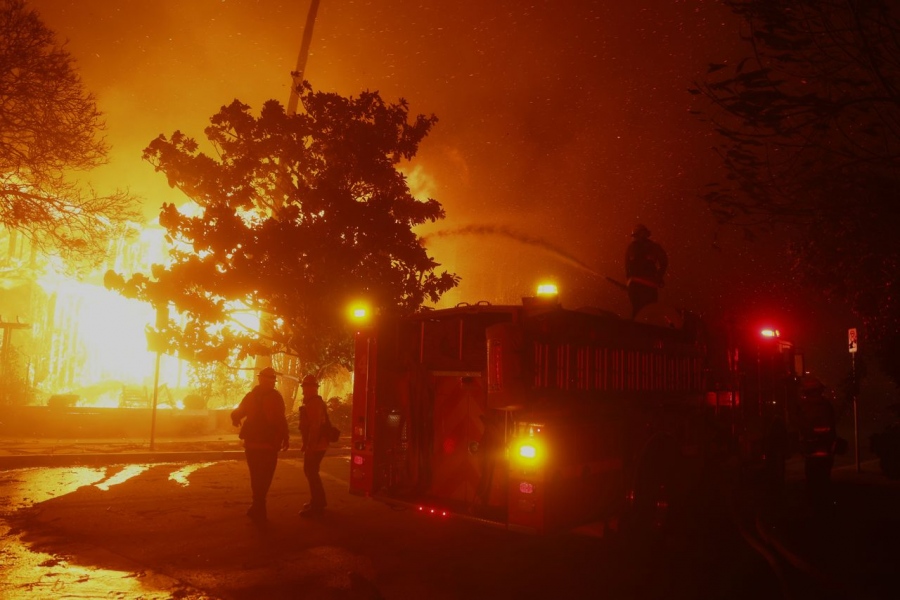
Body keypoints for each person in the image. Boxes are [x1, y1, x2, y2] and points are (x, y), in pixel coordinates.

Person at [230, 367, 290, 521]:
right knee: (265, 476)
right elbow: (280, 420)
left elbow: (238, 412)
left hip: (252, 445)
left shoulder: (250, 396)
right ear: (269, 381)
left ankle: (257, 505)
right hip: (269, 445)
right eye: (271, 379)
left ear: (259, 379)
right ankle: (259, 506)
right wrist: (285, 438)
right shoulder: (276, 397)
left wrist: (235, 418)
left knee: (255, 476)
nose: (271, 382)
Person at [298, 373, 329, 516]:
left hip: (317, 445)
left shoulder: (314, 403)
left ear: (313, 388)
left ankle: (318, 505)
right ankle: (317, 501)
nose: (304, 389)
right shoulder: (311, 402)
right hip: (317, 444)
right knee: (311, 472)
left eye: (305, 387)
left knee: (311, 472)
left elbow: (315, 427)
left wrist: (310, 447)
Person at [625, 224, 668, 319]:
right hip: (644, 285)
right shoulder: (634, 247)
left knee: (640, 311)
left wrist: (629, 282)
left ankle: (636, 329)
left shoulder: (650, 247)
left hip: (641, 285)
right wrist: (659, 277)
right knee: (647, 311)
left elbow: (627, 267)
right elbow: (664, 262)